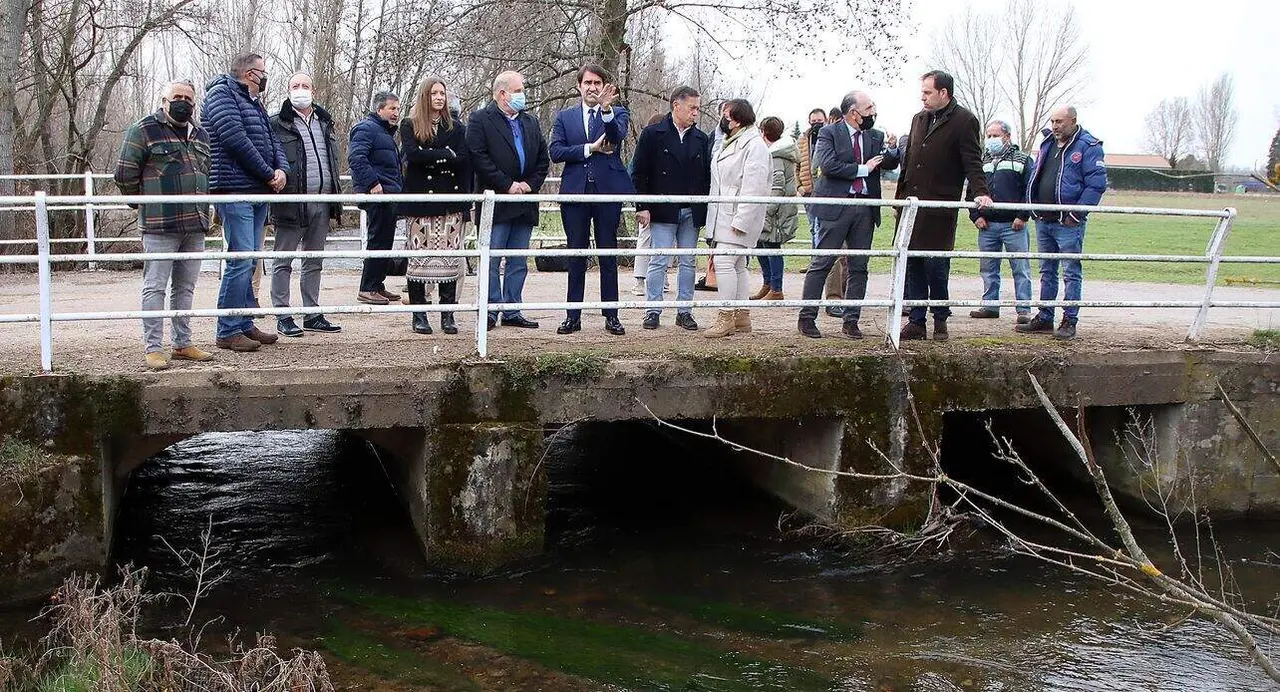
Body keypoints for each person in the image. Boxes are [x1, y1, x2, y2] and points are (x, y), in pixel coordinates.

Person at [115, 80, 216, 371]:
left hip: (195, 224)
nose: (182, 102)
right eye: (177, 97)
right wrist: (143, 203)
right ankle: (153, 348)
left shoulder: (200, 134)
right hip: (160, 226)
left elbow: (204, 173)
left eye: (188, 98)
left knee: (186, 287)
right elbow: (124, 174)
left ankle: (183, 343)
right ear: (164, 100)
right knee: (155, 287)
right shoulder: (144, 130)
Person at [894, 70, 993, 342]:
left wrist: (980, 192)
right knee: (912, 264)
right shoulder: (918, 119)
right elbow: (910, 160)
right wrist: (899, 200)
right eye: (922, 92)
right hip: (911, 207)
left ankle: (940, 319)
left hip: (938, 208)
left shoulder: (964, 121)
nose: (922, 97)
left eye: (927, 92)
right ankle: (916, 321)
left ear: (943, 93)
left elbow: (972, 162)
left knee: (936, 267)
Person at [202, 53, 287, 352]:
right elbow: (234, 140)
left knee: (251, 262)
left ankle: (244, 323)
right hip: (234, 188)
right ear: (251, 73)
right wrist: (268, 174)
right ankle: (227, 329)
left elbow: (271, 140)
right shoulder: (221, 95)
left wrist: (282, 171)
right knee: (240, 260)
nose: (266, 76)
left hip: (258, 190)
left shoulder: (254, 102)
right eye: (263, 71)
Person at [797, 91, 897, 340]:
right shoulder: (829, 133)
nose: (873, 112)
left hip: (865, 208)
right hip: (835, 207)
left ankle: (851, 320)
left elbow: (888, 163)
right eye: (869, 108)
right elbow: (828, 166)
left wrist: (893, 151)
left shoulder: (876, 135)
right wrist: (864, 169)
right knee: (822, 263)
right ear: (854, 113)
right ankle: (807, 317)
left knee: (859, 267)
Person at [550, 64, 632, 336]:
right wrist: (589, 149)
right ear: (579, 86)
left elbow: (616, 137)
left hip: (607, 192)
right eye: (588, 82)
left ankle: (612, 316)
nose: (593, 87)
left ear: (604, 86)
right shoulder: (566, 117)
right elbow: (556, 151)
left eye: (598, 83)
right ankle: (572, 316)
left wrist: (607, 110)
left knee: (608, 256)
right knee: (577, 255)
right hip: (575, 193)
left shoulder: (617, 112)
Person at [467, 70, 550, 330]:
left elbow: (542, 160)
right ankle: (491, 308)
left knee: (517, 259)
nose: (522, 95)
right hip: (496, 201)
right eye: (518, 91)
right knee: (491, 258)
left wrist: (528, 185)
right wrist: (507, 184)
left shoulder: (531, 122)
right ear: (502, 94)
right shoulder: (480, 119)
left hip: (524, 201)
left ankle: (513, 309)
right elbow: (478, 157)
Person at [1015, 105, 1107, 340]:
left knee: (1070, 271)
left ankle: (1069, 320)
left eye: (1060, 122)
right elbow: (1036, 175)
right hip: (1044, 219)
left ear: (1073, 121)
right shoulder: (1047, 143)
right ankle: (1045, 316)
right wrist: (1032, 205)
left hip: (1068, 223)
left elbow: (1095, 184)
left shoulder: (1088, 146)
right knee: (1047, 270)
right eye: (1052, 121)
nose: (1055, 126)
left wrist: (1075, 215)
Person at [268, 72, 343, 337]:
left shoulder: (324, 122)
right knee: (283, 260)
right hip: (291, 203)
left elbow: (332, 161)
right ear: (288, 90)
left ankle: (312, 312)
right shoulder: (277, 123)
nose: (300, 90)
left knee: (313, 260)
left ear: (314, 90)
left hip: (322, 201)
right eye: (295, 86)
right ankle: (283, 314)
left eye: (305, 86)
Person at [633, 86, 711, 331]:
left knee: (688, 261)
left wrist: (705, 207)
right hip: (663, 208)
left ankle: (684, 310)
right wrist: (643, 205)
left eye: (698, 108)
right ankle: (652, 309)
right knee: (659, 259)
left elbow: (707, 177)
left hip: (691, 209)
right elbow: (640, 172)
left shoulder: (701, 139)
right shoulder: (652, 134)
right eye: (692, 108)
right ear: (676, 105)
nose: (696, 113)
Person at [400, 76, 471, 336]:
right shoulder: (409, 125)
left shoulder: (456, 128)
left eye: (442, 93)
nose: (439, 98)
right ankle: (419, 314)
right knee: (418, 260)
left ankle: (447, 314)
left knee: (450, 260)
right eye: (434, 93)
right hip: (420, 202)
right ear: (425, 96)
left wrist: (465, 205)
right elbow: (414, 156)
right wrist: (445, 155)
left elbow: (463, 161)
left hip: (449, 203)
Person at [703, 98, 771, 338]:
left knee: (723, 263)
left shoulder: (754, 146)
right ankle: (742, 316)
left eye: (726, 115)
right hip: (725, 213)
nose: (723, 118)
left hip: (736, 216)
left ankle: (726, 315)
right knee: (737, 264)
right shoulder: (732, 141)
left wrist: (741, 221)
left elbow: (754, 187)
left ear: (737, 119)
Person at [969, 119, 1034, 325]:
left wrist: (1022, 216)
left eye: (995, 136)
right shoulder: (982, 161)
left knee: (1020, 267)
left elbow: (1030, 190)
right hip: (987, 225)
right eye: (988, 136)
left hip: (1014, 225)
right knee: (988, 268)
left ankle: (1024, 309)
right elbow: (971, 191)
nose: (991, 140)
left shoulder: (1022, 160)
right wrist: (976, 216)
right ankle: (990, 305)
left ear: (1007, 136)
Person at [349, 91, 404, 306]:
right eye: (392, 109)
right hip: (378, 195)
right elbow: (356, 158)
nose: (395, 113)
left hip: (388, 195)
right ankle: (367, 287)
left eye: (397, 109)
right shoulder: (366, 129)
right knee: (377, 241)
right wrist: (373, 184)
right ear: (379, 109)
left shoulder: (384, 133)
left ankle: (377, 284)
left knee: (385, 241)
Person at [754, 116, 798, 301]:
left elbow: (777, 188)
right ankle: (768, 283)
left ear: (763, 132)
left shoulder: (777, 156)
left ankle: (776, 288)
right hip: (771, 210)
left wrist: (766, 211)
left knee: (772, 247)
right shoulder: (773, 153)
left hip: (776, 213)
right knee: (760, 244)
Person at [630, 111, 669, 296]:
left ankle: (662, 276)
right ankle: (639, 279)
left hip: (663, 200)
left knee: (664, 241)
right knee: (645, 238)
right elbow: (635, 172)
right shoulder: (646, 146)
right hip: (647, 199)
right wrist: (641, 202)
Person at [796, 107, 826, 251]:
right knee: (812, 227)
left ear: (825, 120)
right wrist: (798, 186)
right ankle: (815, 260)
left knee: (822, 228)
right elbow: (795, 164)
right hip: (807, 191)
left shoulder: (830, 137)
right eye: (813, 121)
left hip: (825, 191)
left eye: (819, 121)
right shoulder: (802, 140)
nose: (816, 124)